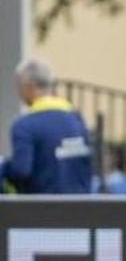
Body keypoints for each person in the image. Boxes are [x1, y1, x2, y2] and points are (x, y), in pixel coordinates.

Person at [1, 58, 92, 194]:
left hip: (42, 205)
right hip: (81, 204)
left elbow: (21, 170)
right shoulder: (77, 119)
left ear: (28, 86)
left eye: (19, 86)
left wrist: (4, 167)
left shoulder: (25, 126)